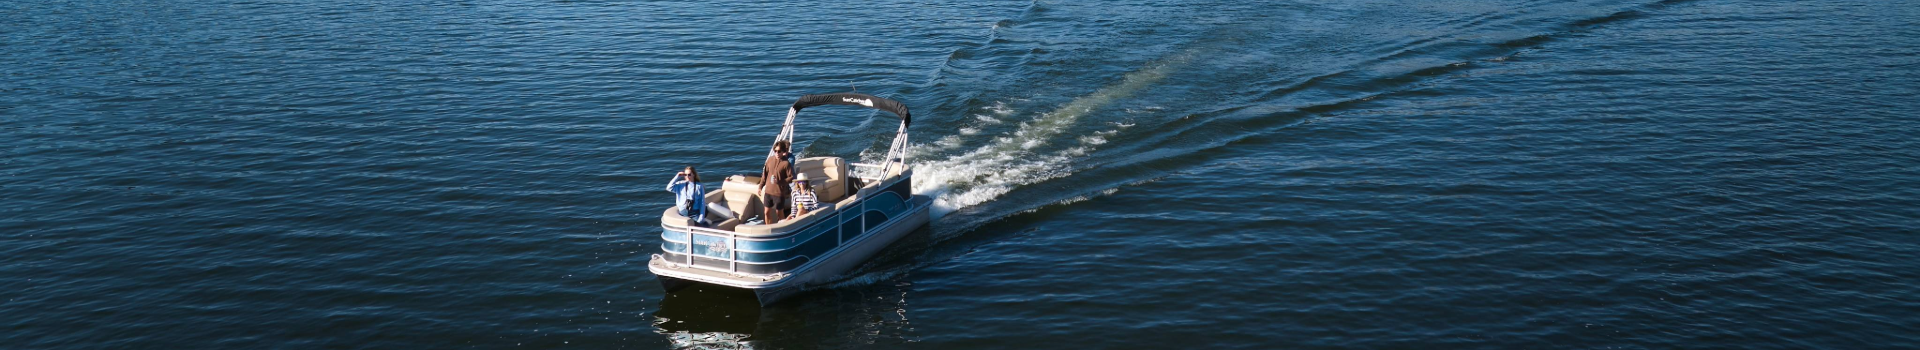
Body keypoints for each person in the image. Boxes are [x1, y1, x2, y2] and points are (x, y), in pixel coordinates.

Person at [759, 140, 793, 224]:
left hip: (779, 193)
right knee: (766, 212)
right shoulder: (770, 160)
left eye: (779, 151)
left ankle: (784, 227)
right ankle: (768, 228)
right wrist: (760, 186)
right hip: (768, 192)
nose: (777, 153)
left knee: (779, 213)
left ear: (783, 152)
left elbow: (791, 177)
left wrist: (779, 182)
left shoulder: (786, 163)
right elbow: (765, 175)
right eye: (775, 151)